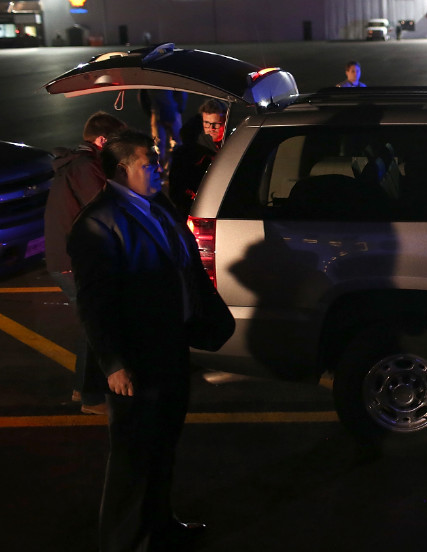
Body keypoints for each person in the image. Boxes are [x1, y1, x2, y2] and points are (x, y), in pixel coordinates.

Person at [68, 130, 215, 551]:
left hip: (171, 345)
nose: (158, 167)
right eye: (149, 162)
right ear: (121, 170)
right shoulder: (96, 224)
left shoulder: (158, 204)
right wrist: (112, 363)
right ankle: (125, 542)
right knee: (133, 457)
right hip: (136, 358)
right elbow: (95, 305)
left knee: (163, 446)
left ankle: (160, 526)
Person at [44, 111, 127, 415]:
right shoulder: (84, 167)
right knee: (97, 323)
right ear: (102, 140)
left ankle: (85, 389)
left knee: (92, 323)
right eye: (117, 144)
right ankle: (92, 397)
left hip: (69, 257)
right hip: (72, 260)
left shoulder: (82, 163)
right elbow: (105, 206)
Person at [168, 99, 226, 218]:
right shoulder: (190, 152)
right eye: (206, 123)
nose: (211, 128)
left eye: (216, 123)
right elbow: (177, 189)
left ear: (225, 121)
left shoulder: (230, 143)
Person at [145, 90, 187, 171]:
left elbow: (143, 96)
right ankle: (161, 171)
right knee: (161, 145)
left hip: (167, 110)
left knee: (172, 144)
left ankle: (172, 169)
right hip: (166, 110)